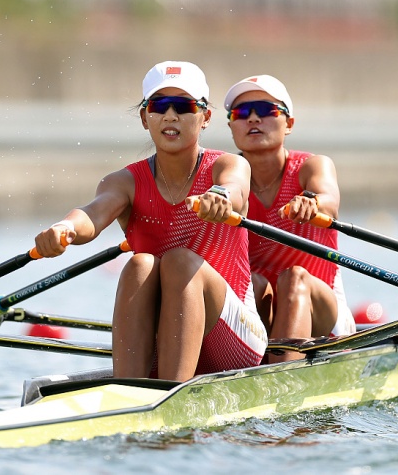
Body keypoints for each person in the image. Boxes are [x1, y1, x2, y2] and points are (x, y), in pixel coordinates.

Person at [34, 61, 268, 381]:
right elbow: (93, 212)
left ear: (206, 117)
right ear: (146, 118)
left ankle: (168, 397)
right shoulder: (124, 181)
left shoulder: (227, 165)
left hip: (235, 342)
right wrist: (66, 228)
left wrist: (221, 198)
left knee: (179, 262)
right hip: (165, 341)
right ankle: (129, 391)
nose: (170, 115)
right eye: (159, 106)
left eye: (184, 106)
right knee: (139, 265)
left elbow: (235, 189)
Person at [224, 74, 356, 362]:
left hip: (324, 318)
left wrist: (312, 202)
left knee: (294, 278)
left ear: (289, 123)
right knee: (255, 284)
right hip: (261, 311)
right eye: (242, 113)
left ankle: (281, 380)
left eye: (267, 110)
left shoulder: (311, 166)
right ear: (231, 125)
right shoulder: (225, 177)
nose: (253, 119)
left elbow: (330, 201)